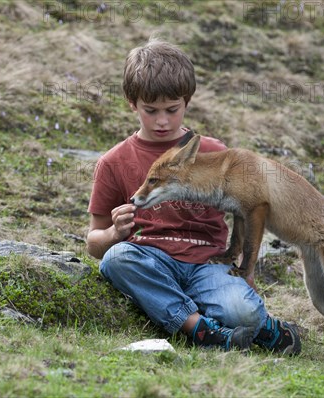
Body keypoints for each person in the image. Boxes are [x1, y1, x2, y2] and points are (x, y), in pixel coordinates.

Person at [86, 38, 300, 354]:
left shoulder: (215, 153)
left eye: (172, 110)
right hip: (152, 260)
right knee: (117, 259)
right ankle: (202, 331)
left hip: (210, 265)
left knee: (241, 310)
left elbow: (248, 210)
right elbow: (94, 243)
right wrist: (115, 233)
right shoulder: (113, 162)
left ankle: (265, 327)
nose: (162, 120)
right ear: (132, 103)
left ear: (187, 101)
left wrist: (246, 269)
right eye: (151, 110)